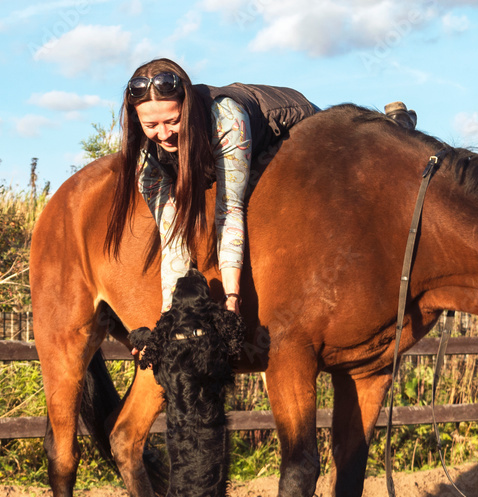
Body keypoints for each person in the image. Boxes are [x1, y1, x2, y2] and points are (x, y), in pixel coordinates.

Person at [105, 57, 416, 315]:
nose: (164, 133)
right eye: (151, 125)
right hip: (227, 150)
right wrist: (169, 316)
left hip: (288, 124)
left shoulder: (224, 117)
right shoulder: (144, 156)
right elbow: (171, 234)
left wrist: (231, 297)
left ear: (187, 109)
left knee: (354, 157)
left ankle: (395, 127)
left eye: (172, 121)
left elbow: (229, 210)